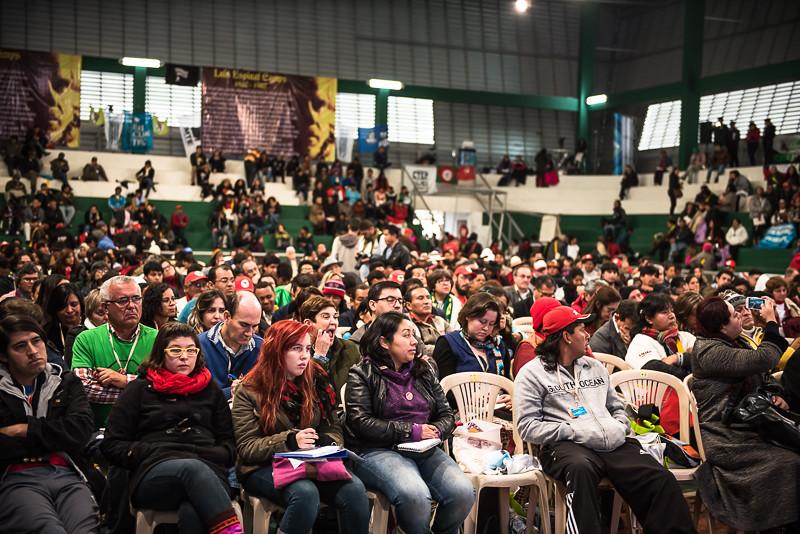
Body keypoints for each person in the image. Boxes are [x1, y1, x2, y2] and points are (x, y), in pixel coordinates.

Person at [514, 305, 696, 534]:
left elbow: (616, 406)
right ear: (566, 336)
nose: (588, 334)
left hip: (612, 441)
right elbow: (527, 426)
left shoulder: (594, 367)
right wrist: (572, 430)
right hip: (567, 446)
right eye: (582, 329)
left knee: (660, 478)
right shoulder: (532, 374)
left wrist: (620, 425)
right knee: (580, 470)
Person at [101, 322, 242, 534]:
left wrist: (207, 453)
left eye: (190, 350)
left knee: (192, 512)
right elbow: (111, 445)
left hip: (209, 471)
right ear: (161, 354)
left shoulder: (210, 389)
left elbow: (229, 444)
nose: (184, 356)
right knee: (191, 469)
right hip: (154, 474)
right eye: (176, 350)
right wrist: (152, 451)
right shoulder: (139, 389)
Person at [232, 320, 369, 534]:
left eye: (308, 348)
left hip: (311, 462)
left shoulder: (316, 379)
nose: (305, 356)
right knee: (305, 493)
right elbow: (248, 448)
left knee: (354, 490)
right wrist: (290, 440)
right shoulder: (250, 389)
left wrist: (327, 442)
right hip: (263, 466)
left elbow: (332, 424)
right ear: (277, 350)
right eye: (296, 349)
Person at [344, 312, 475, 534]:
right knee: (415, 495)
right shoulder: (362, 373)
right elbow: (360, 422)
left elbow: (446, 414)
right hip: (377, 450)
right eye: (406, 335)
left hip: (423, 448)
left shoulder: (423, 370)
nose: (415, 341)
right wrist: (411, 431)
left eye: (414, 334)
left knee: (462, 493)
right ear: (384, 341)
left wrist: (437, 431)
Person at [691, 296, 799, 531]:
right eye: (734, 314)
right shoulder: (709, 351)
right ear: (722, 326)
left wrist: (774, 394)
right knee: (789, 462)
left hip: (748, 426)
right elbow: (765, 358)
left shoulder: (735, 341)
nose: (740, 315)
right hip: (723, 436)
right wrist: (771, 322)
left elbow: (763, 376)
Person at [0, 315, 98, 534]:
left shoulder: (65, 381)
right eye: (20, 346)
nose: (33, 351)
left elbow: (80, 430)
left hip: (67, 471)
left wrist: (24, 430)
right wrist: (53, 436)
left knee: (85, 529)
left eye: (37, 341)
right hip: (15, 475)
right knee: (49, 529)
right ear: (4, 356)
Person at [71, 276, 158, 427]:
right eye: (123, 300)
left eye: (136, 298)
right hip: (99, 429)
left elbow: (168, 383)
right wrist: (144, 391)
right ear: (105, 308)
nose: (132, 306)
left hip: (148, 428)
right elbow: (83, 388)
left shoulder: (158, 338)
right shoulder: (86, 339)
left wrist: (124, 381)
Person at [432, 293, 512, 404]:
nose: (486, 328)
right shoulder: (448, 343)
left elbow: (506, 382)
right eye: (482, 321)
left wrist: (509, 397)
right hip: (461, 410)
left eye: (491, 324)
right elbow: (442, 389)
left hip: (497, 406)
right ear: (468, 316)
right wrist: (471, 400)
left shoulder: (498, 345)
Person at [198, 291, 263, 399]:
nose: (250, 333)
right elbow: (195, 396)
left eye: (255, 326)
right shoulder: (199, 345)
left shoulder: (261, 348)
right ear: (227, 316)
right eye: (244, 325)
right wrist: (231, 392)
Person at [298, 295, 361, 398]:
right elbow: (306, 389)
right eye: (326, 317)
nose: (333, 322)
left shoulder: (349, 348)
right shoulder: (297, 351)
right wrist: (320, 356)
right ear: (308, 324)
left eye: (335, 317)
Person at [625, 293, 694, 379]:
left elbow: (703, 358)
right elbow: (653, 369)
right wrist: (689, 371)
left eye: (672, 311)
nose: (672, 316)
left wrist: (677, 358)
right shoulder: (641, 340)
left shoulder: (684, 336)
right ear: (649, 319)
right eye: (664, 312)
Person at [43, 282, 84, 355]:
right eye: (63, 306)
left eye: (74, 305)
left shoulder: (91, 326)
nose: (69, 310)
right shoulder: (47, 333)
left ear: (81, 305)